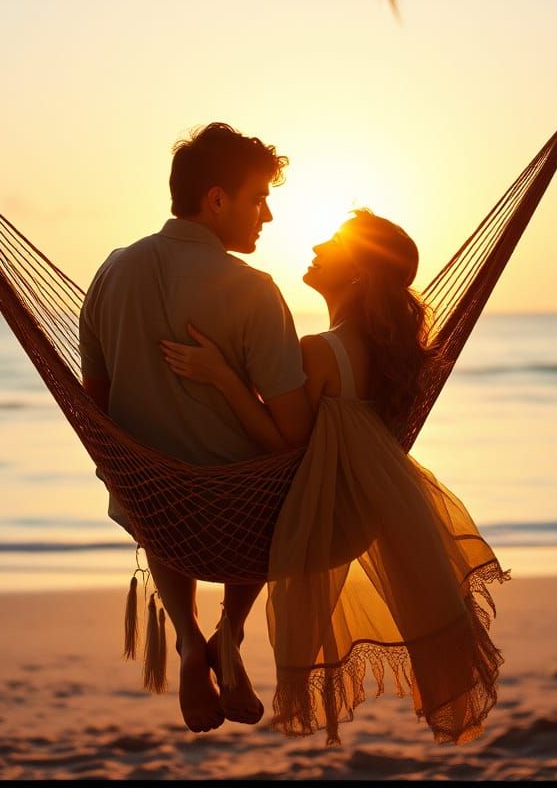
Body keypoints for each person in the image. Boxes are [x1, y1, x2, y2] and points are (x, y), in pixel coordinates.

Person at [161, 209, 508, 745]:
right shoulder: (398, 357)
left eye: (336, 242)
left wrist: (221, 378)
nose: (318, 244)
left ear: (359, 273)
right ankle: (227, 633)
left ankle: (209, 636)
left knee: (186, 488)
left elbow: (282, 441)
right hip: (360, 515)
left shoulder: (319, 350)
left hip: (310, 516)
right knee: (260, 493)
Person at [78, 122, 313, 734]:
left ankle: (186, 641)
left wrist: (133, 467)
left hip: (152, 503)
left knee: (154, 481)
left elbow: (93, 408)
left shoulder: (111, 273)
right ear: (216, 200)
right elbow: (290, 439)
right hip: (242, 509)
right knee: (290, 481)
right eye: (258, 197)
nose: (267, 214)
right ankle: (228, 634)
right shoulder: (255, 293)